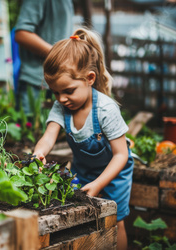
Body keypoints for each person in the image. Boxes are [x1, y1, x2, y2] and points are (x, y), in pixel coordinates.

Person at [32, 28, 134, 250]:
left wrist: (99, 183)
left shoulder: (105, 110)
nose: (61, 98)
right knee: (85, 218)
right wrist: (38, 153)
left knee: (116, 219)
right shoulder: (62, 107)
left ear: (89, 78)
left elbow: (121, 154)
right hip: (83, 168)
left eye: (68, 90)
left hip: (115, 171)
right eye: (55, 92)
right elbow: (48, 136)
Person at [14, 0, 73, 116]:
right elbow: (22, 34)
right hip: (36, 83)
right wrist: (60, 55)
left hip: (59, 84)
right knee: (31, 132)